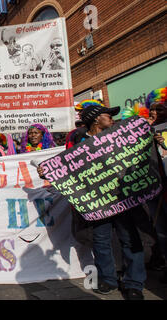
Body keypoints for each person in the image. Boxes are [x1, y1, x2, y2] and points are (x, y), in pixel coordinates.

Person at [40, 104, 147, 300]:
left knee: (130, 239)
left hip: (123, 199)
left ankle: (134, 284)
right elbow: (66, 166)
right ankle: (108, 279)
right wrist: (46, 170)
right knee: (101, 241)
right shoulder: (80, 144)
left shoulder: (119, 137)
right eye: (108, 115)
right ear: (96, 119)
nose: (112, 119)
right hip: (98, 203)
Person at [145, 87, 167, 282]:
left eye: (159, 109)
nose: (154, 113)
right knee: (160, 229)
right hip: (154, 188)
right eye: (151, 110)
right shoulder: (146, 131)